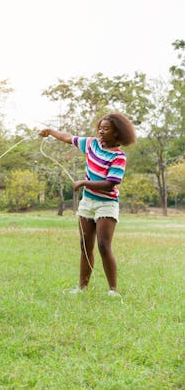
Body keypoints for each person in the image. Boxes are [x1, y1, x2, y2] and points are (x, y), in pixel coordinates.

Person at [39, 112, 136, 297]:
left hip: (106, 204)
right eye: (100, 127)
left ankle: (113, 290)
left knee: (103, 245)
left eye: (106, 128)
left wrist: (83, 183)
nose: (101, 130)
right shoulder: (91, 144)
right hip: (87, 203)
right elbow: (68, 138)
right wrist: (50, 131)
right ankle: (82, 288)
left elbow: (110, 184)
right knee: (85, 245)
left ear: (117, 133)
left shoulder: (119, 156)